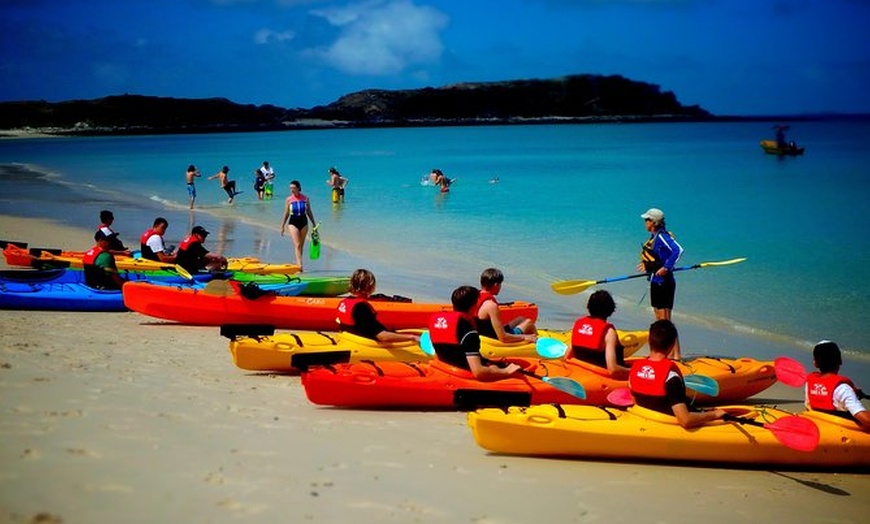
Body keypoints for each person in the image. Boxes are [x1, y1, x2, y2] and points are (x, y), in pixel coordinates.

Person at [628, 319, 725, 429]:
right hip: (667, 424)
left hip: (646, 420)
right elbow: (685, 420)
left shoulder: (634, 370)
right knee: (715, 412)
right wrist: (713, 415)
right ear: (672, 345)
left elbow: (636, 402)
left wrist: (702, 412)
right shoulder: (671, 377)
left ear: (649, 341)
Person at [429, 285, 522, 381]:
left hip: (444, 367)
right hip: (462, 374)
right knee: (494, 368)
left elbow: (442, 354)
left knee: (493, 364)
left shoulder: (437, 322)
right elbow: (479, 372)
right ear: (473, 306)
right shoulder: (469, 333)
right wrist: (506, 371)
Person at [637, 207, 684, 359]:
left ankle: (676, 355)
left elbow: (678, 250)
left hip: (664, 283)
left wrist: (666, 268)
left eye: (647, 220)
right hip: (655, 282)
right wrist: (647, 266)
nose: (645, 223)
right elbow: (656, 258)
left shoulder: (662, 236)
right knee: (659, 319)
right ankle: (667, 353)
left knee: (665, 321)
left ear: (654, 222)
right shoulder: (653, 238)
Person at [336, 269, 421, 343]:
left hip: (351, 338)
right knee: (414, 337)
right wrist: (412, 337)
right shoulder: (361, 307)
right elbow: (383, 337)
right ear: (370, 286)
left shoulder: (344, 302)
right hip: (367, 343)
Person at [805, 340, 870, 431]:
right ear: (840, 361)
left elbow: (809, 408)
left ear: (815, 363)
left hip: (820, 425)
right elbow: (866, 420)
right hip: (841, 431)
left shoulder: (810, 384)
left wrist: (852, 393)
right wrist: (850, 394)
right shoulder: (844, 389)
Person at [570, 290, 630, 379]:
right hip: (600, 376)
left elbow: (567, 357)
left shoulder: (579, 324)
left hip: (580, 370)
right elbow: (612, 369)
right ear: (611, 309)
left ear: (588, 306)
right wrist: (634, 372)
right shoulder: (609, 332)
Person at [476, 267, 537, 343]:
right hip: (494, 338)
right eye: (500, 284)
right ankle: (537, 344)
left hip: (485, 332)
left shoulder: (474, 296)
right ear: (496, 285)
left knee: (520, 319)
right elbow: (503, 338)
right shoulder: (491, 306)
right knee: (529, 322)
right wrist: (525, 337)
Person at [280, 180, 316, 270]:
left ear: (298, 188)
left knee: (301, 245)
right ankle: (300, 266)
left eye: (293, 188)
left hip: (304, 221)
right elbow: (286, 213)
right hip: (293, 222)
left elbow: (309, 211)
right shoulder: (288, 199)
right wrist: (282, 225)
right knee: (297, 245)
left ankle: (298, 262)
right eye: (290, 188)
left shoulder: (305, 198)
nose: (292, 190)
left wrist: (313, 223)